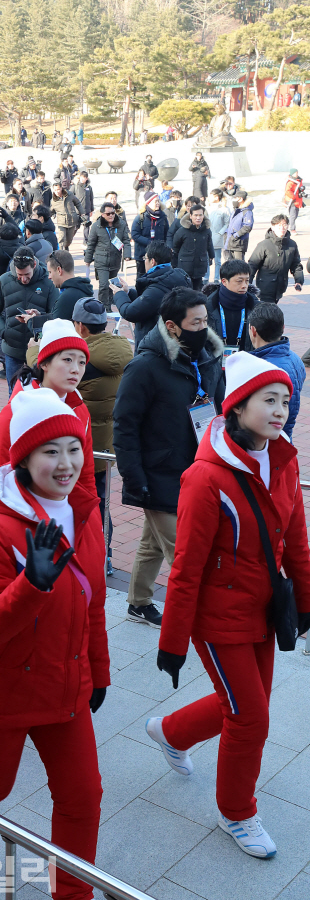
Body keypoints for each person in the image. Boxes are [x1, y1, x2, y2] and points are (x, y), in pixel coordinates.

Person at [0, 388, 109, 900]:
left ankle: (72, 895)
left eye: (73, 449)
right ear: (25, 459)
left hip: (63, 684)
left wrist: (98, 669)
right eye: (50, 452)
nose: (66, 464)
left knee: (82, 796)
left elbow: (92, 601)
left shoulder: (86, 515)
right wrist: (31, 583)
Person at [153, 353, 310, 860]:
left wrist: (306, 601)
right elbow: (186, 567)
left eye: (286, 400)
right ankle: (236, 812)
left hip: (263, 609)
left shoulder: (283, 458)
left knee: (245, 706)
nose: (281, 410)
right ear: (238, 406)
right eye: (269, 400)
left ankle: (170, 731)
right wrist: (173, 642)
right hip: (217, 618)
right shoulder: (205, 478)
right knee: (251, 717)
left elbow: (299, 542)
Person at [113, 287, 225, 627]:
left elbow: (217, 411)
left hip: (195, 470)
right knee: (184, 552)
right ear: (172, 326)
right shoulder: (145, 367)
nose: (204, 328)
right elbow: (125, 425)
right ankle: (204, 618)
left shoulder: (205, 357)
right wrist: (134, 478)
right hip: (157, 474)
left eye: (206, 320)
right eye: (196, 322)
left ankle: (138, 602)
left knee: (150, 543)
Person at [71, 299, 133, 574]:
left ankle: (92, 555)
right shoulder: (123, 350)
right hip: (109, 444)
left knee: (85, 504)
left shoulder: (81, 361)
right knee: (101, 501)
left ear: (80, 326)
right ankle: (106, 556)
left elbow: (39, 363)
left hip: (83, 446)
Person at [0, 247, 59, 393]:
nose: (23, 279)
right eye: (19, 275)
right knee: (14, 395)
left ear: (34, 265)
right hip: (13, 350)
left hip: (39, 351)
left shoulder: (48, 282)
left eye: (27, 274)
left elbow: (55, 316)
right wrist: (3, 332)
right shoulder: (4, 280)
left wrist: (38, 318)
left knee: (40, 394)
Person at [112, 241, 191, 353]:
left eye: (145, 258)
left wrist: (119, 294)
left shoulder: (158, 287)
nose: (144, 261)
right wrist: (128, 292)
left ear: (152, 261)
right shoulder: (173, 277)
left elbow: (130, 312)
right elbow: (148, 301)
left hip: (154, 346)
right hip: (173, 341)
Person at [247, 302, 305, 441]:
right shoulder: (296, 359)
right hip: (285, 436)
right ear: (283, 328)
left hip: (266, 439)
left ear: (253, 330)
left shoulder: (261, 368)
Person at [204, 259, 258, 357]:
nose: (244, 286)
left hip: (246, 362)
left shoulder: (255, 307)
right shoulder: (208, 307)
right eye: (239, 281)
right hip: (215, 364)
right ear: (224, 281)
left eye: (247, 281)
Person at [84, 202, 132, 310]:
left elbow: (126, 241)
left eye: (113, 213)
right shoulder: (96, 226)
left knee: (112, 285)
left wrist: (127, 255)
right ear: (102, 214)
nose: (111, 215)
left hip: (115, 260)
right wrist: (88, 258)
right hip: (101, 261)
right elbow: (91, 243)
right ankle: (103, 307)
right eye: (108, 213)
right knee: (104, 285)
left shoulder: (121, 224)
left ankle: (109, 305)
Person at [248, 214, 302, 304]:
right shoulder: (264, 245)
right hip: (265, 287)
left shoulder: (292, 245)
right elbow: (253, 264)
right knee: (268, 312)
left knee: (271, 310)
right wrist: (247, 283)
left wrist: (299, 281)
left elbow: (296, 265)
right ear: (273, 227)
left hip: (280, 286)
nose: (282, 228)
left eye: (284, 225)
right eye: (279, 225)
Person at [172, 205, 215, 291]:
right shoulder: (182, 231)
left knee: (198, 292)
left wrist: (211, 256)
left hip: (200, 266)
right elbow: (175, 247)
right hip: (184, 267)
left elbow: (209, 244)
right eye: (195, 215)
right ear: (190, 216)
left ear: (203, 216)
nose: (198, 218)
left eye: (200, 215)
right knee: (184, 292)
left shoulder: (206, 230)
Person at [131, 192, 170, 278]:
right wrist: (150, 243)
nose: (157, 203)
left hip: (159, 254)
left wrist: (166, 246)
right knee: (142, 278)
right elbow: (134, 234)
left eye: (158, 201)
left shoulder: (163, 217)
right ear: (148, 203)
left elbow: (168, 234)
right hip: (143, 254)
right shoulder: (140, 218)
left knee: (159, 277)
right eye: (155, 201)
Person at [46, 250, 94, 320]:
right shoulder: (82, 288)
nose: (49, 277)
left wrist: (31, 321)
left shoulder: (66, 297)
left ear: (59, 270)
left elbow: (55, 326)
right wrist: (39, 316)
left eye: (50, 272)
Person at [51, 182, 85, 252]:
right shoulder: (53, 201)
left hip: (72, 221)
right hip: (61, 223)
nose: (57, 192)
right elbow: (50, 211)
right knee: (61, 239)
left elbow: (77, 203)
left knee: (69, 240)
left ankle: (66, 248)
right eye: (55, 190)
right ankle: (61, 253)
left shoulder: (70, 195)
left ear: (61, 188)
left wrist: (82, 213)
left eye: (58, 189)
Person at [223, 190, 254, 262]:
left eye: (235, 198)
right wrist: (226, 234)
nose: (233, 200)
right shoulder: (235, 211)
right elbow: (230, 225)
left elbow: (247, 227)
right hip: (230, 243)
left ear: (240, 199)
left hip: (238, 243)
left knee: (239, 266)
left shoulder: (247, 212)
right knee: (229, 266)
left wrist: (235, 236)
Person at [207, 189, 230, 278]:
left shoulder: (224, 208)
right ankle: (206, 277)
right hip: (207, 235)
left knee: (217, 259)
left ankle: (217, 278)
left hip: (218, 237)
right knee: (206, 259)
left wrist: (220, 233)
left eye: (211, 195)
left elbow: (227, 223)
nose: (209, 197)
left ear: (216, 197)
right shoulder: (207, 207)